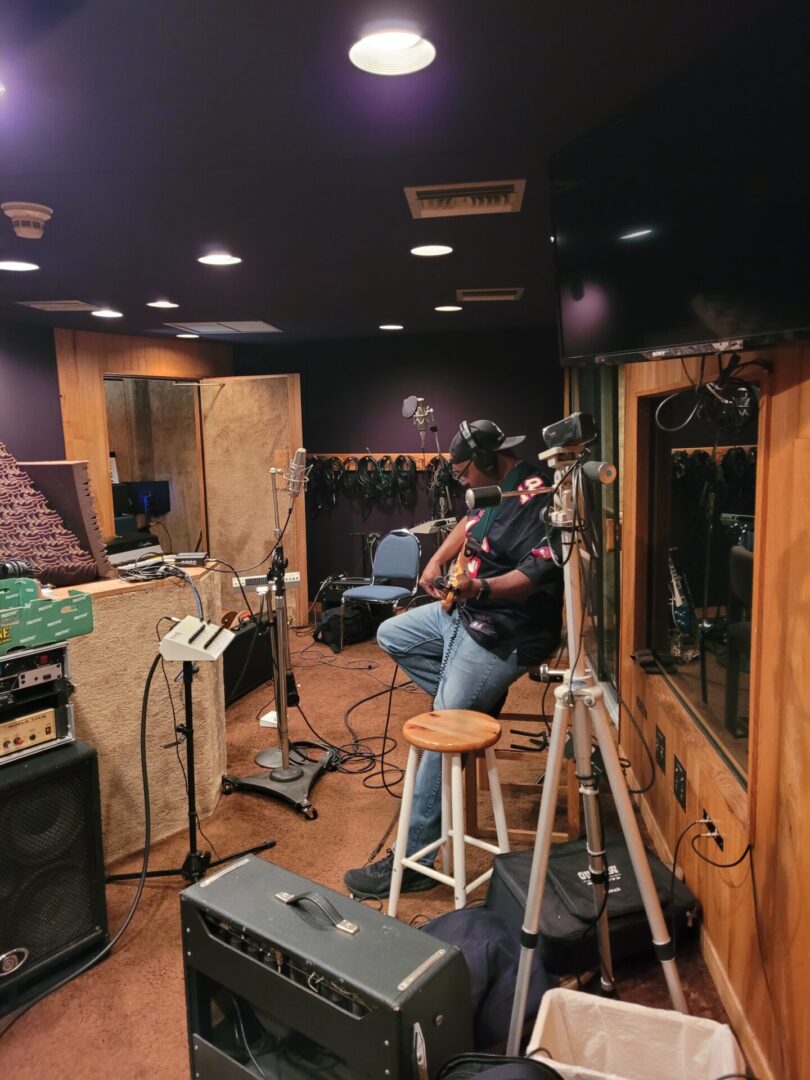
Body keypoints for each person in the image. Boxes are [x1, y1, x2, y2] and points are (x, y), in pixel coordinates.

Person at [344, 419, 564, 898]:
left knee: (436, 733)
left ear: (487, 461)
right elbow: (468, 523)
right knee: (391, 634)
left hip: (507, 631)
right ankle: (473, 702)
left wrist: (478, 585)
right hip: (465, 614)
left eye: (465, 471)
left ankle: (416, 859)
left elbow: (533, 578)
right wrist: (436, 561)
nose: (462, 480)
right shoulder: (495, 488)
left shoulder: (536, 494)